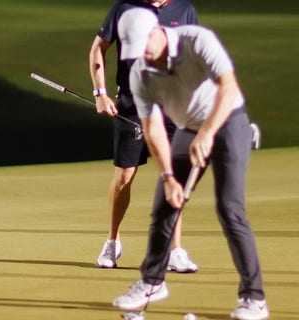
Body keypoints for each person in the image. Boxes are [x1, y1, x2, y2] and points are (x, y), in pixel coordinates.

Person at [111, 8, 269, 320]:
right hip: (187, 129)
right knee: (165, 205)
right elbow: (153, 127)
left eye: (145, 46)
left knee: (229, 207)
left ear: (157, 31)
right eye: (135, 50)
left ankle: (254, 299)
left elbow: (230, 86)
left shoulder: (197, 41)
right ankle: (152, 282)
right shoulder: (139, 72)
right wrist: (168, 176)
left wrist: (208, 132)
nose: (142, 55)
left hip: (228, 121)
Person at [88, 0, 198, 272]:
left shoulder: (185, 10)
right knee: (124, 176)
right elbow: (98, 48)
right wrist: (100, 93)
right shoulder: (123, 7)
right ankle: (112, 241)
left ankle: (176, 251)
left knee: (173, 176)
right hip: (133, 103)